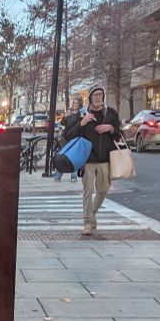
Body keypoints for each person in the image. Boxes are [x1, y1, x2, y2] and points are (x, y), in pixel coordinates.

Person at [63, 86, 120, 235]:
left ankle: (92, 213)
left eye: (100, 95)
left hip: (105, 159)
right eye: (95, 95)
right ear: (90, 98)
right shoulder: (82, 115)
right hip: (88, 159)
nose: (98, 98)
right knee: (87, 192)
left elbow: (119, 136)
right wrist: (83, 122)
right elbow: (68, 135)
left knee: (103, 190)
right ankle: (88, 222)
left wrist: (111, 128)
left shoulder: (111, 113)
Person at [53, 97, 83, 183]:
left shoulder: (80, 115)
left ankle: (73, 176)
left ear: (79, 105)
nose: (75, 105)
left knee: (73, 158)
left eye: (77, 103)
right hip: (66, 138)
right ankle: (58, 176)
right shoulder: (69, 114)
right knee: (63, 157)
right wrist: (65, 116)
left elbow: (81, 125)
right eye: (74, 103)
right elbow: (62, 124)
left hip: (75, 138)